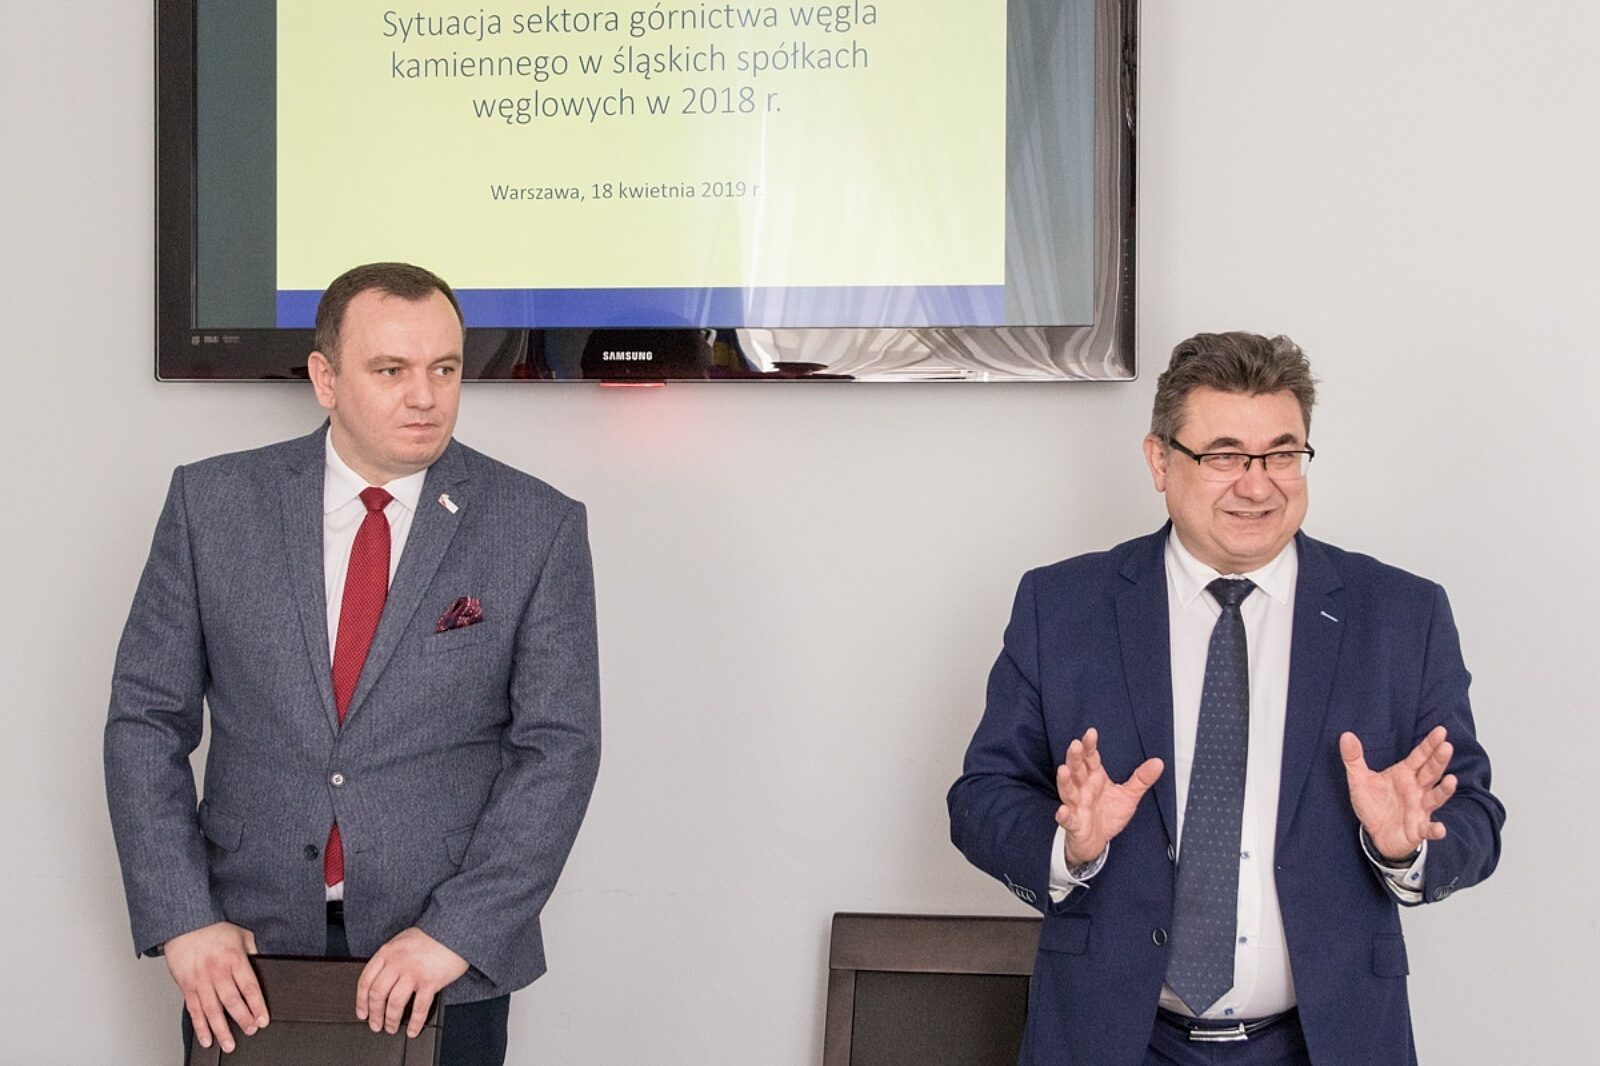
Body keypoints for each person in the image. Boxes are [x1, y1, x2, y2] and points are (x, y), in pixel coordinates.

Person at [948, 332, 1503, 1066]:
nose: (1258, 485)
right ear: (1160, 461)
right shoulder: (1063, 606)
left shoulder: (1402, 615)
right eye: (1224, 456)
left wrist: (1406, 848)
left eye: (1282, 454)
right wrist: (1067, 846)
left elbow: (1475, 815)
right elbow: (981, 799)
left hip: (1326, 1042)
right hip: (1112, 1037)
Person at [105, 262, 601, 1066]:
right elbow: (144, 721)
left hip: (441, 962)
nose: (425, 396)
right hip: (245, 957)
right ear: (325, 379)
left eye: (445, 368)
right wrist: (183, 918)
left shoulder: (536, 527)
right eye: (391, 370)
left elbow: (559, 750)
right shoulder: (212, 506)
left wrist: (458, 932)